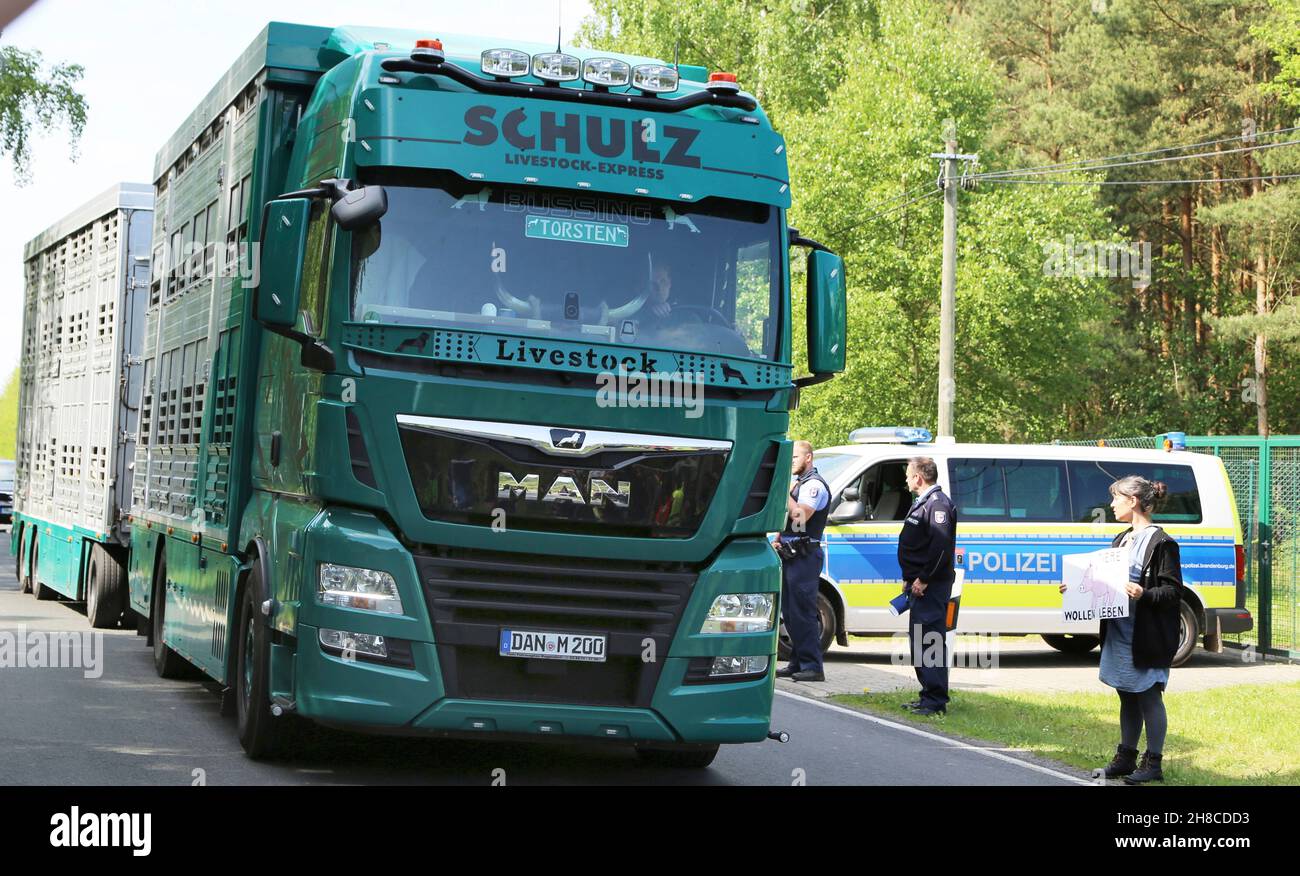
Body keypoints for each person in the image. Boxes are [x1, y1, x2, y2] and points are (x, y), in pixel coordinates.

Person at [1062, 475, 1183, 784]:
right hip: (1120, 632)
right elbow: (1106, 582)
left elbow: (1172, 593)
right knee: (1126, 696)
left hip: (1146, 635)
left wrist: (1144, 594)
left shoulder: (1162, 543)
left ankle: (1153, 763)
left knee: (1149, 697)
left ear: (1134, 501)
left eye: (1117, 498)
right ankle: (1126, 758)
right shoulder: (1122, 539)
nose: (1112, 504)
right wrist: (1075, 588)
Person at [897, 457, 957, 716]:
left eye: (909, 475)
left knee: (930, 640)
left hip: (930, 586)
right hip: (919, 583)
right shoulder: (923, 503)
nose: (907, 480)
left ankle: (935, 700)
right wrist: (910, 578)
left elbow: (940, 548)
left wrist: (923, 578)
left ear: (919, 478)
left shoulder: (937, 505)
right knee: (920, 641)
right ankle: (927, 695)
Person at [773, 441, 830, 682]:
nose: (792, 461)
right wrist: (778, 538)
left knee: (803, 612)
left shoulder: (814, 485)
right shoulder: (800, 484)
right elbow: (788, 522)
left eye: (796, 457)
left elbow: (800, 516)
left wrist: (783, 493)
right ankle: (797, 662)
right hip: (791, 553)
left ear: (809, 458)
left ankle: (813, 667)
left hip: (804, 556)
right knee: (791, 612)